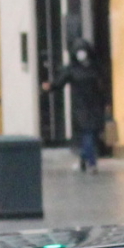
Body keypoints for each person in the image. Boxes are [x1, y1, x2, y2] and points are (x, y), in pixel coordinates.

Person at [47, 40, 109, 171]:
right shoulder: (91, 68)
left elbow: (59, 83)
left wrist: (50, 86)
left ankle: (83, 160)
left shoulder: (81, 69)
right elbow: (59, 83)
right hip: (86, 107)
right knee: (89, 134)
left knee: (90, 134)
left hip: (88, 106)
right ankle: (92, 163)